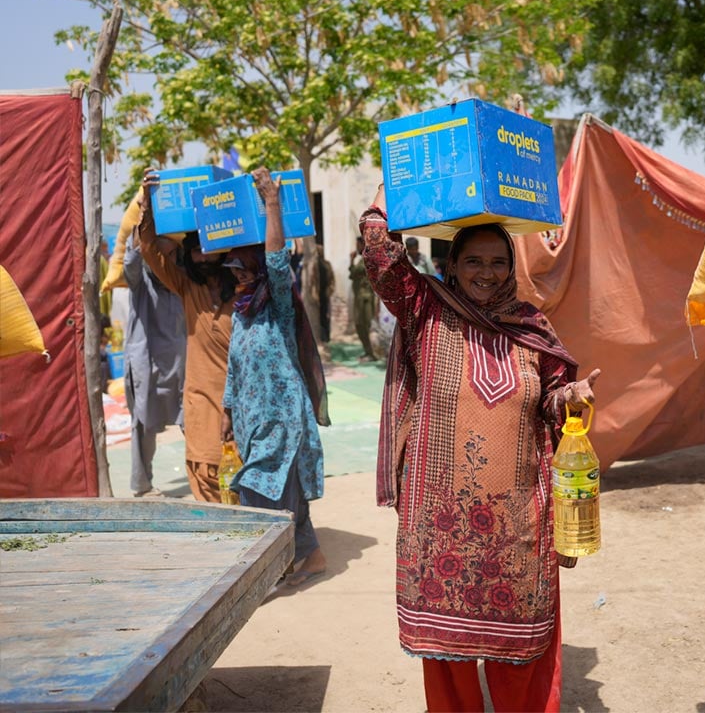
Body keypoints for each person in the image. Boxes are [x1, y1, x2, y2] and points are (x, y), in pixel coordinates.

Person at [362, 198, 601, 713]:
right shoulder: (425, 308)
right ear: (452, 265)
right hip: (440, 525)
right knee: (448, 663)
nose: (486, 274)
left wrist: (571, 397)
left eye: (498, 262)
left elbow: (551, 399)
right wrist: (396, 189)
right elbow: (381, 255)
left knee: (524, 652)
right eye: (473, 261)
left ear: (512, 269)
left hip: (518, 524)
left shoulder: (532, 326)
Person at [221, 167, 331, 588]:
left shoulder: (278, 304)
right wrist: (227, 412)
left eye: (245, 269)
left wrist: (271, 203)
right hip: (252, 421)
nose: (240, 275)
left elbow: (276, 261)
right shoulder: (242, 313)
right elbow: (234, 366)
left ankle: (263, 575)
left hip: (282, 421)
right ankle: (311, 555)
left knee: (259, 495)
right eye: (234, 270)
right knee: (287, 496)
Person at [136, 174, 236, 502]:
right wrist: (149, 205)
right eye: (196, 253)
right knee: (206, 472)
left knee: (242, 479)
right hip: (201, 402)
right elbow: (151, 250)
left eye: (211, 251)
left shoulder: (247, 292)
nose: (204, 259)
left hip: (243, 404)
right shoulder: (186, 287)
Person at [123, 234, 186, 497]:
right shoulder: (140, 282)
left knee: (194, 420)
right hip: (147, 365)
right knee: (143, 425)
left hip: (182, 365)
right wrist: (143, 218)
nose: (165, 261)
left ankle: (206, 474)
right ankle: (142, 485)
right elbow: (130, 263)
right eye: (160, 254)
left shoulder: (182, 281)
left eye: (171, 255)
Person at [348, 234, 378, 361]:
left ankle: (372, 353)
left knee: (365, 325)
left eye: (358, 244)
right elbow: (352, 275)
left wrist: (351, 260)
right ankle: (368, 351)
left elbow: (354, 273)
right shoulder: (362, 259)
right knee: (359, 325)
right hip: (359, 297)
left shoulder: (367, 259)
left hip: (365, 298)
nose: (356, 247)